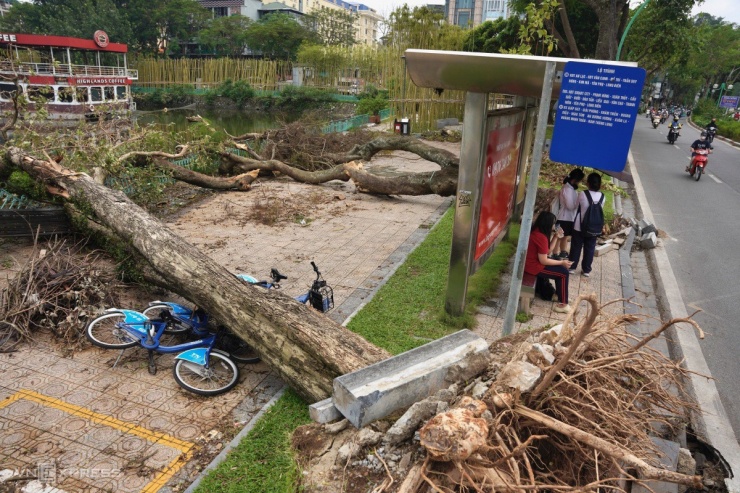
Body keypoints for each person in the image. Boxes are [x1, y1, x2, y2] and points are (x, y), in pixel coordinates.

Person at [525, 211, 573, 314]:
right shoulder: (540, 236)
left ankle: (559, 295)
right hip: (534, 266)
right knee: (563, 273)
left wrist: (556, 236)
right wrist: (561, 262)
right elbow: (544, 260)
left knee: (562, 270)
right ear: (547, 223)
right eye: (553, 223)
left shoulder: (539, 232)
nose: (555, 226)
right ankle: (564, 304)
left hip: (535, 263)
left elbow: (547, 251)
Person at [568, 172, 604, 278]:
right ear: (599, 184)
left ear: (588, 183)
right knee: (590, 248)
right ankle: (586, 269)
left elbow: (576, 205)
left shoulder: (583, 194)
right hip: (594, 227)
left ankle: (572, 267)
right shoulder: (603, 196)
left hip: (579, 226)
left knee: (576, 247)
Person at [554, 168, 585, 259]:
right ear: (575, 180)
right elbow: (570, 206)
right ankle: (555, 253)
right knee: (559, 236)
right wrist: (579, 202)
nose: (579, 183)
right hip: (564, 217)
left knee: (565, 236)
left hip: (569, 217)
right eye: (579, 181)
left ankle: (563, 251)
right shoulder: (567, 189)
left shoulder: (570, 188)